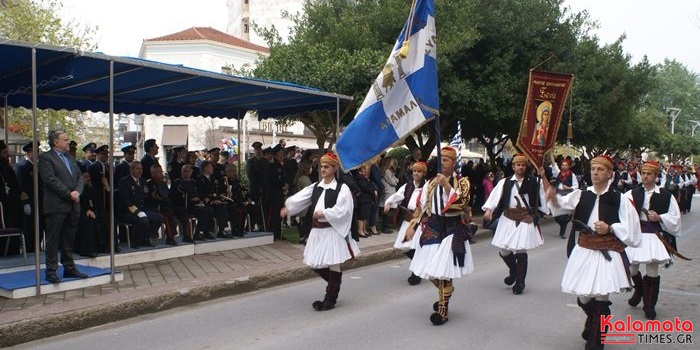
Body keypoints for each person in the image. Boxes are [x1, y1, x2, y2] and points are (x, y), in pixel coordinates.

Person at [545, 154, 641, 350]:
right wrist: (552, 198)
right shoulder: (582, 194)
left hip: (607, 250)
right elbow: (560, 206)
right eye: (593, 169)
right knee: (584, 297)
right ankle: (593, 322)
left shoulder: (620, 199)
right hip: (585, 249)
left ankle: (597, 340)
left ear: (610, 174)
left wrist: (611, 228)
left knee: (601, 297)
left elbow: (632, 230)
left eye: (600, 169)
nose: (595, 173)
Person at [280, 152, 360, 311]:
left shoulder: (341, 188)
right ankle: (334, 283)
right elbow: (301, 198)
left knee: (333, 263)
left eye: (326, 167)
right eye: (321, 166)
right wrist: (288, 208)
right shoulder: (316, 186)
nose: (323, 169)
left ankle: (330, 299)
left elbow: (344, 209)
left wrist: (325, 213)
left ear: (334, 168)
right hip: (317, 231)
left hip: (332, 231)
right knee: (314, 262)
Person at [407, 146, 473, 325]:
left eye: (446, 160)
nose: (442, 162)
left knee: (443, 273)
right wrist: (414, 223)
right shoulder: (430, 182)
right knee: (427, 270)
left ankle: (443, 311)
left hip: (451, 229)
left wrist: (447, 186)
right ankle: (447, 291)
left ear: (453, 162)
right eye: (441, 159)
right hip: (433, 227)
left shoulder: (463, 182)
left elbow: (461, 203)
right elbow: (422, 205)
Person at [482, 154, 548, 295]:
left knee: (521, 250)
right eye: (518, 165)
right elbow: (495, 197)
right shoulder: (505, 182)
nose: (521, 167)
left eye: (523, 165)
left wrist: (535, 216)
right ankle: (513, 271)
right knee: (503, 250)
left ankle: (520, 282)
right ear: (513, 166)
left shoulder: (534, 181)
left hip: (524, 217)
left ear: (526, 166)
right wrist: (489, 210)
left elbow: (541, 200)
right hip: (508, 217)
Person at [624, 160, 681, 320]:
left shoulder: (666, 196)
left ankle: (649, 305)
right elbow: (622, 214)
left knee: (652, 271)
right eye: (643, 173)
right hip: (636, 236)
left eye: (649, 174)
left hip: (654, 236)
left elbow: (675, 218)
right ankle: (640, 290)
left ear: (656, 176)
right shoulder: (631, 194)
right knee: (631, 269)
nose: (645, 176)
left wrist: (659, 217)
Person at [38, 130, 87, 283]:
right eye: (65, 140)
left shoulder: (70, 158)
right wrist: (68, 193)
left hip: (73, 204)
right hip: (56, 205)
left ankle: (69, 268)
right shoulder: (46, 158)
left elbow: (80, 176)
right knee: (53, 239)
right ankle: (51, 271)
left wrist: (78, 192)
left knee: (68, 238)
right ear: (56, 142)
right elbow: (50, 180)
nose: (68, 142)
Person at [383, 161, 427, 285]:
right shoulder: (408, 186)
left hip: (419, 220)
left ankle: (416, 274)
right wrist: (389, 203)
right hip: (408, 220)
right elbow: (397, 196)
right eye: (414, 171)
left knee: (415, 246)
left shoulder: (427, 187)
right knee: (403, 246)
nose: (416, 173)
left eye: (419, 171)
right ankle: (420, 264)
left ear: (423, 173)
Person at [117, 161, 163, 249]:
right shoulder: (124, 181)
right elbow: (126, 200)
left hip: (141, 209)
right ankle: (136, 242)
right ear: (131, 170)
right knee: (143, 220)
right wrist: (137, 212)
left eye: (141, 169)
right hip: (127, 211)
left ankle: (146, 237)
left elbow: (146, 197)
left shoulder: (142, 181)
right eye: (138, 169)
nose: (140, 171)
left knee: (159, 217)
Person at [170, 165, 214, 242]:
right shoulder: (177, 183)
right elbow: (173, 197)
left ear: (191, 172)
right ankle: (186, 236)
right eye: (185, 171)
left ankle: (200, 232)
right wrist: (189, 199)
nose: (187, 173)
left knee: (208, 210)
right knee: (184, 212)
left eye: (188, 171)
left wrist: (198, 199)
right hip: (180, 206)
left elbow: (199, 194)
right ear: (181, 172)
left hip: (193, 205)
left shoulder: (194, 182)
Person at [14, 141, 43, 253]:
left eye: (38, 151)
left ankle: (37, 247)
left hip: (39, 201)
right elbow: (21, 187)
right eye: (34, 151)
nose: (37, 153)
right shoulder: (22, 167)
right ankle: (30, 250)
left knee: (39, 227)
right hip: (29, 202)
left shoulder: (38, 166)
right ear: (29, 152)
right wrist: (25, 202)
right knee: (29, 228)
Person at [197, 161, 232, 239]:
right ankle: (206, 231)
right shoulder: (200, 180)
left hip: (214, 201)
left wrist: (218, 199)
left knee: (223, 205)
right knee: (209, 210)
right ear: (205, 168)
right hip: (205, 203)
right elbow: (201, 194)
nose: (212, 169)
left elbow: (216, 192)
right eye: (210, 167)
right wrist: (211, 201)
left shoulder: (213, 179)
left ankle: (222, 230)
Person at [146, 164, 179, 245]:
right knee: (167, 215)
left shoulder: (163, 184)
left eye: (161, 171)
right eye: (159, 172)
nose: (161, 174)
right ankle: (170, 238)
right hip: (154, 208)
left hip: (165, 206)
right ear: (153, 173)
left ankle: (171, 234)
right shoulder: (149, 184)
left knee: (175, 212)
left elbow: (168, 196)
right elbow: (149, 199)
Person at [551, 158, 580, 239]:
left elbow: (576, 186)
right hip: (558, 195)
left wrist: (568, 187)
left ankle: (562, 232)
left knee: (566, 216)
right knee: (556, 215)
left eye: (565, 165)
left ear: (568, 166)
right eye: (563, 165)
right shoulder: (558, 173)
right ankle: (561, 224)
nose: (564, 167)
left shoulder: (572, 175)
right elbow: (554, 166)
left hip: (567, 196)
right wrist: (550, 155)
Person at [265, 144, 287, 240]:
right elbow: (271, 180)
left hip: (279, 193)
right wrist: (281, 184)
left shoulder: (281, 165)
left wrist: (285, 184)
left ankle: (278, 233)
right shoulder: (271, 166)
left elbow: (283, 177)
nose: (282, 155)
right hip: (273, 194)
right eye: (280, 153)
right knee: (273, 214)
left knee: (279, 214)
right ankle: (272, 232)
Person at [293, 162, 314, 244]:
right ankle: (305, 237)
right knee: (306, 221)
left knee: (303, 220)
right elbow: (307, 190)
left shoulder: (300, 178)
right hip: (306, 204)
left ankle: (302, 237)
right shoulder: (304, 179)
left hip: (302, 203)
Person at [379, 157, 399, 233]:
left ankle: (385, 226)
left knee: (387, 210)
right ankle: (384, 227)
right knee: (386, 210)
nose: (392, 162)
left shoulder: (390, 171)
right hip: (388, 192)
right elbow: (393, 182)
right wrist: (396, 180)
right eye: (391, 161)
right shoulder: (387, 171)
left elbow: (395, 179)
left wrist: (395, 179)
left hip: (389, 191)